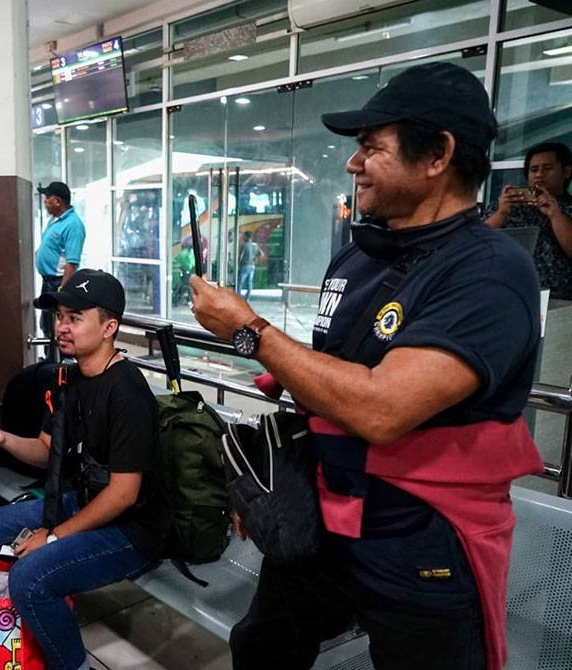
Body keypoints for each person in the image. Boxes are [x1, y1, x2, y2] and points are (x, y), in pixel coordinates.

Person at [190, 63, 543, 670]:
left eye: (370, 148)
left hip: (422, 540)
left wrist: (250, 329)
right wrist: (272, 490)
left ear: (437, 155)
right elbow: (326, 376)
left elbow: (382, 408)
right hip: (323, 519)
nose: (353, 165)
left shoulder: (488, 272)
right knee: (262, 647)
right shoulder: (357, 259)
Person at [0, 269, 169, 670]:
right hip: (85, 500)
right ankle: (45, 606)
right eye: (60, 317)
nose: (62, 327)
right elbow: (46, 453)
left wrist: (53, 538)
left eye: (75, 318)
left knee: (30, 580)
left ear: (110, 327)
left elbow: (124, 493)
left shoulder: (126, 392)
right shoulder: (70, 378)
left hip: (134, 529)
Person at [485, 141, 572, 300]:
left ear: (566, 171)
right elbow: (476, 240)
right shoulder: (509, 204)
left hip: (560, 298)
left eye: (547, 168)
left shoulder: (567, 208)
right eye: (534, 170)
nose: (539, 175)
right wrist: (501, 212)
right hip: (508, 294)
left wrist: (555, 214)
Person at [35, 181, 85, 354]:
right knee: (47, 326)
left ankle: (60, 369)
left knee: (59, 330)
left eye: (47, 198)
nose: (45, 201)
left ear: (57, 201)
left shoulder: (73, 225)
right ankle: (50, 364)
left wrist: (63, 292)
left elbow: (72, 262)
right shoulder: (55, 220)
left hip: (57, 283)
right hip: (48, 282)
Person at [236, 230, 263, 300]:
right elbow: (261, 254)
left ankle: (238, 297)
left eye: (244, 236)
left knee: (240, 282)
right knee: (249, 282)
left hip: (244, 265)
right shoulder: (255, 245)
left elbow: (241, 256)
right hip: (252, 266)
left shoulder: (244, 245)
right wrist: (255, 259)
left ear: (246, 237)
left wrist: (238, 264)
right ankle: (247, 298)